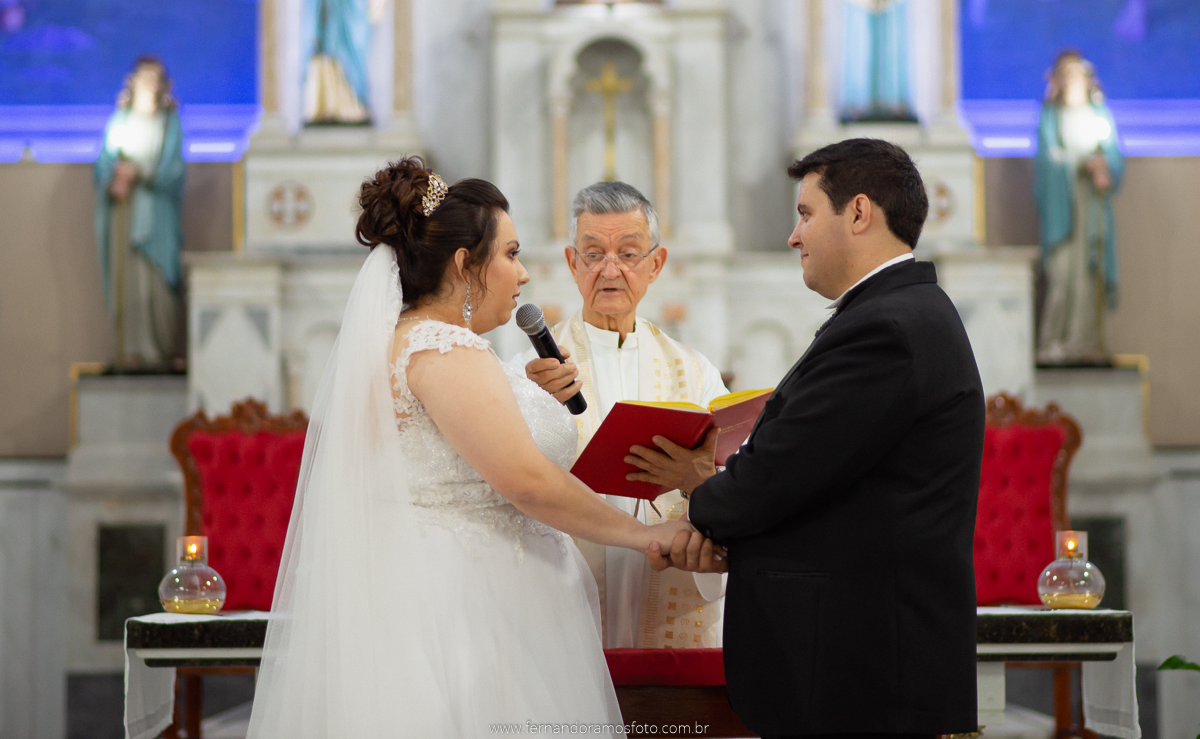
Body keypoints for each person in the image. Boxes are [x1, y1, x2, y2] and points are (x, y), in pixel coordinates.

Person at [246, 158, 688, 737]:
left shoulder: (410, 342)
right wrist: (642, 534)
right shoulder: (445, 347)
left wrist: (528, 395)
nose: (523, 274)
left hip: (446, 592)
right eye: (509, 254)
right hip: (470, 611)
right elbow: (525, 481)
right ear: (463, 264)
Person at [628, 139, 984, 739]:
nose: (794, 236)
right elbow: (833, 490)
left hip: (865, 678)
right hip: (866, 668)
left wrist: (703, 488)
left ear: (860, 212)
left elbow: (769, 485)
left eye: (805, 213)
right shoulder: (898, 313)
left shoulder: (886, 331)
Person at [515, 181, 729, 649]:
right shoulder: (530, 373)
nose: (610, 270)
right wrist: (533, 405)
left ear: (656, 264)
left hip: (670, 592)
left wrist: (699, 477)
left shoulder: (695, 373)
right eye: (593, 254)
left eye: (628, 253)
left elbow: (729, 474)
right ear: (572, 264)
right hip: (562, 602)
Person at [94, 55, 186, 369]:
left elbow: (174, 170)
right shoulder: (120, 120)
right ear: (133, 82)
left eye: (154, 79)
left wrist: (141, 174)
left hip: (156, 215)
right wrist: (115, 177)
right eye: (143, 78)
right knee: (128, 281)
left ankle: (159, 351)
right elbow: (105, 160)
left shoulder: (169, 123)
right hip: (126, 212)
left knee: (157, 284)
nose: (148, 85)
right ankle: (130, 351)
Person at [1034, 50, 1123, 364]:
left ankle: (1085, 341)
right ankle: (1054, 340)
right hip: (1064, 210)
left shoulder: (1099, 116)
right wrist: (1074, 165)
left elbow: (1113, 157)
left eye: (1077, 75)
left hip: (1091, 210)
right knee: (1062, 275)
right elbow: (1046, 163)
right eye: (1066, 75)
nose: (1072, 82)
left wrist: (1103, 169)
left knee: (1089, 276)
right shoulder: (1051, 118)